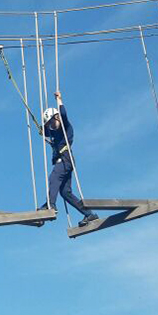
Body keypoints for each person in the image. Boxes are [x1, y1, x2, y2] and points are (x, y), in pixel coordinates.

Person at [39, 91, 100, 228]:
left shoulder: (65, 127)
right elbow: (45, 131)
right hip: (64, 162)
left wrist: (59, 100)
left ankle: (51, 205)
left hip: (65, 159)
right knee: (65, 192)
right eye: (49, 124)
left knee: (54, 178)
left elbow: (64, 115)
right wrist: (41, 128)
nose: (51, 126)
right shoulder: (53, 131)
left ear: (57, 117)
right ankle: (89, 214)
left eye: (52, 122)